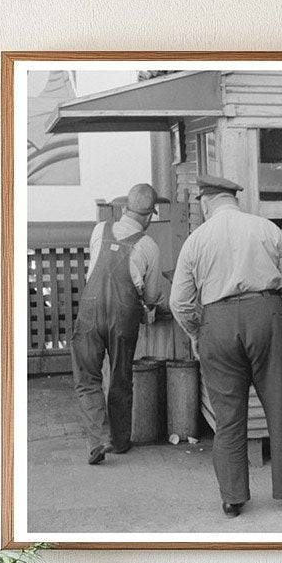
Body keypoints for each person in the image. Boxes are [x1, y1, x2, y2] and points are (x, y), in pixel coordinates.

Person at [169, 175, 282, 519]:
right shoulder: (266, 229)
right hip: (267, 315)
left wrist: (196, 332)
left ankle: (233, 498)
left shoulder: (196, 240)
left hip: (216, 324)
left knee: (228, 416)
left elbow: (180, 301)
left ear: (206, 203)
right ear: (235, 199)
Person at [71, 182, 169, 465]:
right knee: (120, 377)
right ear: (151, 215)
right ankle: (120, 440)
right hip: (123, 314)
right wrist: (151, 305)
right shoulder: (149, 245)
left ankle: (96, 441)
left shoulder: (99, 229)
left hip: (89, 310)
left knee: (88, 377)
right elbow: (151, 296)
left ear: (125, 208)